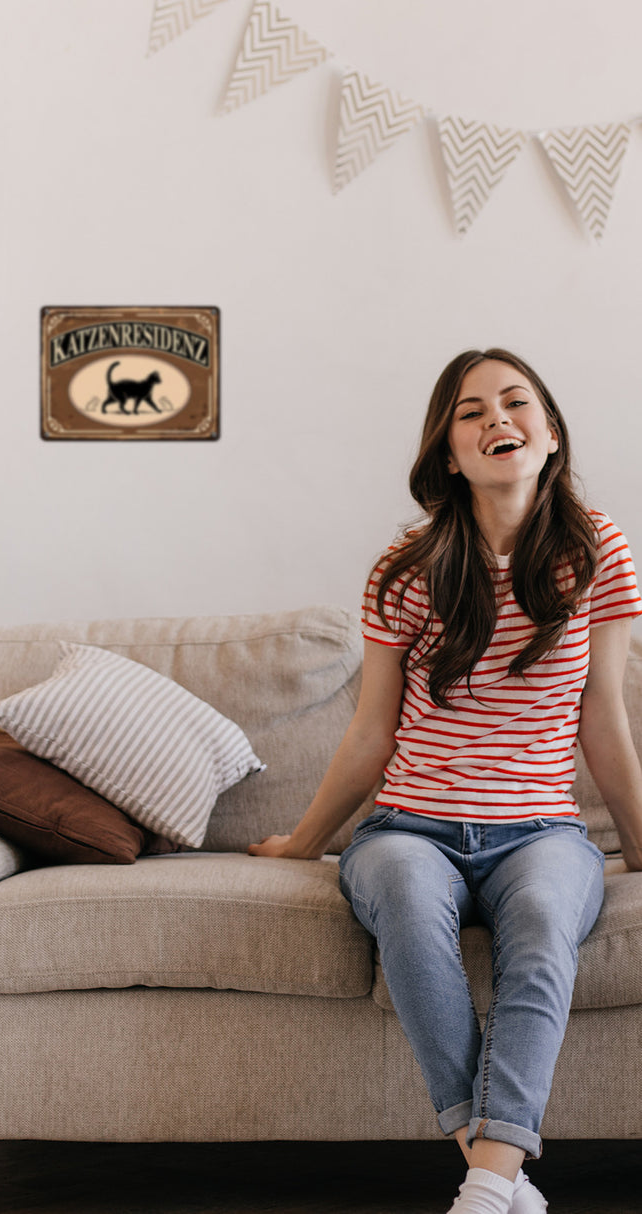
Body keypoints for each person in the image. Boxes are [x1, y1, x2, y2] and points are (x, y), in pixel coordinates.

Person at [249, 348, 642, 1214]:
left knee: (543, 921)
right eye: (471, 411)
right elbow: (371, 732)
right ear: (449, 453)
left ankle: (486, 1185)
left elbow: (602, 718)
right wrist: (305, 843)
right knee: (404, 905)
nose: (496, 419)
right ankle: (499, 1176)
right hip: (407, 828)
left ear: (549, 437)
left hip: (541, 833)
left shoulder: (598, 550)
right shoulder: (406, 566)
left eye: (515, 403)